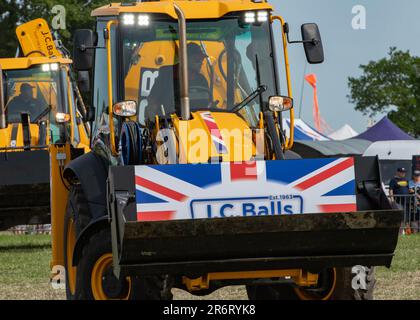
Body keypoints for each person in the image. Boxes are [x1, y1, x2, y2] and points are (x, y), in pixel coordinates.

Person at [145, 43, 210, 122]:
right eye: (197, 60)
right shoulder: (167, 76)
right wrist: (153, 121)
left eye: (201, 60)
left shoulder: (202, 80)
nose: (200, 63)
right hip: (170, 123)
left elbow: (208, 105)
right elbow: (152, 100)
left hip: (198, 123)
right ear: (185, 58)